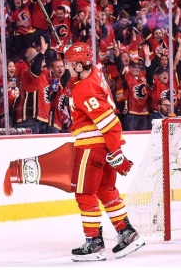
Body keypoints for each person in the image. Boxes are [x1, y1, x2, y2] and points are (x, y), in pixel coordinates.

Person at [63, 42, 144, 262]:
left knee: (84, 193)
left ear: (81, 65)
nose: (67, 68)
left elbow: (109, 122)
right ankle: (127, 233)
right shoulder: (96, 73)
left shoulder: (83, 89)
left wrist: (117, 152)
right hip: (104, 146)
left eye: (70, 64)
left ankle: (94, 244)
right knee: (105, 189)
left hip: (91, 146)